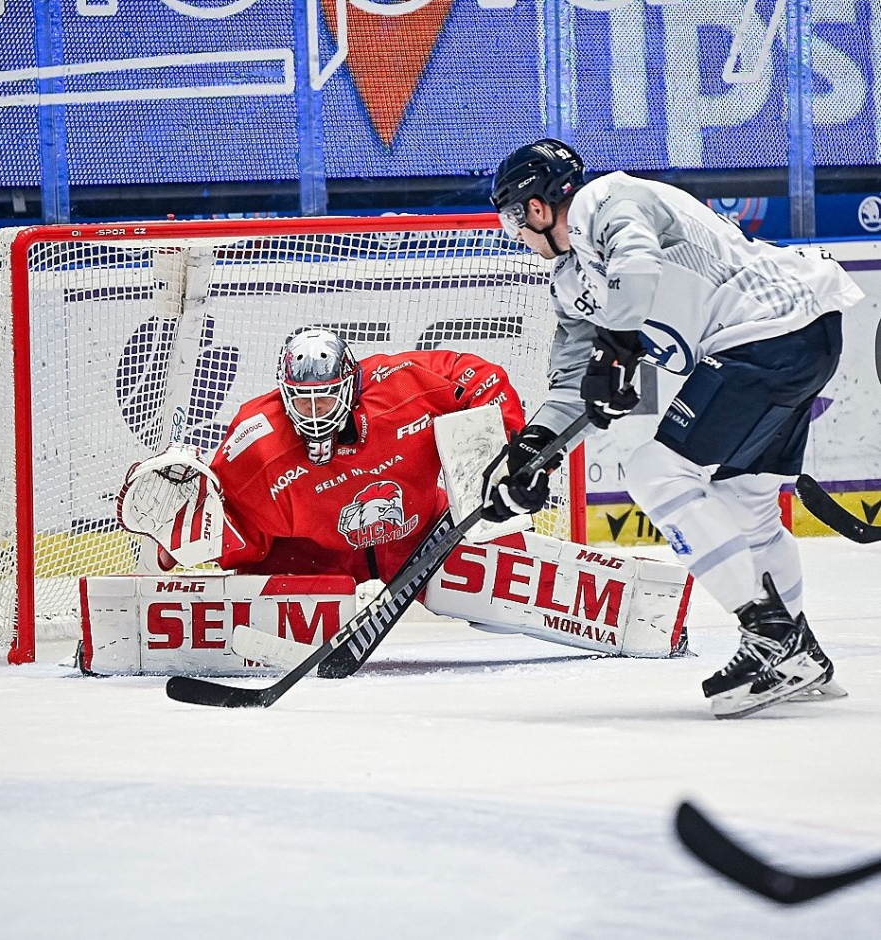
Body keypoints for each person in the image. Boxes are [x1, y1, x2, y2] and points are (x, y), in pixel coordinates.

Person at [481, 138, 865, 718]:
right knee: (748, 502)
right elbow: (569, 389)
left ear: (537, 208)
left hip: (764, 333)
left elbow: (635, 267)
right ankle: (800, 651)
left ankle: (772, 639)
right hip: (802, 336)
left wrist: (616, 349)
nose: (520, 237)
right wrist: (532, 452)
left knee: (654, 470)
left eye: (515, 218)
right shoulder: (570, 282)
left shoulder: (604, 200)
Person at [123, 328, 526, 584]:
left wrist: (508, 453)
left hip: (426, 535)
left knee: (518, 575)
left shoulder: (401, 384)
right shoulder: (257, 440)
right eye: (303, 400)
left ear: (350, 386)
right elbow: (233, 526)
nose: (316, 412)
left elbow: (479, 376)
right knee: (256, 579)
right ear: (284, 395)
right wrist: (179, 543)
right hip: (322, 562)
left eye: (326, 396)